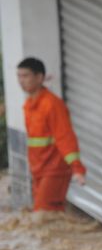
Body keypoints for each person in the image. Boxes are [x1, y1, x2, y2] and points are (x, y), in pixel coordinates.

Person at [17, 57, 86, 211]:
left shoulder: (52, 105)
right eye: (19, 76)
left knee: (44, 212)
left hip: (55, 170)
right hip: (39, 169)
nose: (21, 81)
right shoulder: (29, 105)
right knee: (49, 215)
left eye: (26, 76)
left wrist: (77, 168)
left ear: (40, 77)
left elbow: (65, 137)